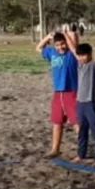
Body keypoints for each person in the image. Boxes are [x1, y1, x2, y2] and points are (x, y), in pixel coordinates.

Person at [64, 29, 95, 165]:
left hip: (91, 103)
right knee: (82, 130)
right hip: (80, 103)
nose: (80, 58)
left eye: (83, 55)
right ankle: (81, 154)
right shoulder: (80, 65)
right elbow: (73, 49)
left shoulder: (94, 66)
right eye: (79, 56)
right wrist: (65, 35)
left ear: (89, 54)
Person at [36, 31, 80, 159]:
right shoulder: (51, 52)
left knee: (76, 122)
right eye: (57, 45)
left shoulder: (72, 54)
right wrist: (48, 37)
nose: (60, 47)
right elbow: (38, 48)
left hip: (71, 92)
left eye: (63, 44)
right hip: (57, 93)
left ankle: (81, 151)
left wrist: (66, 35)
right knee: (57, 122)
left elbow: (74, 39)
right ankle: (55, 149)